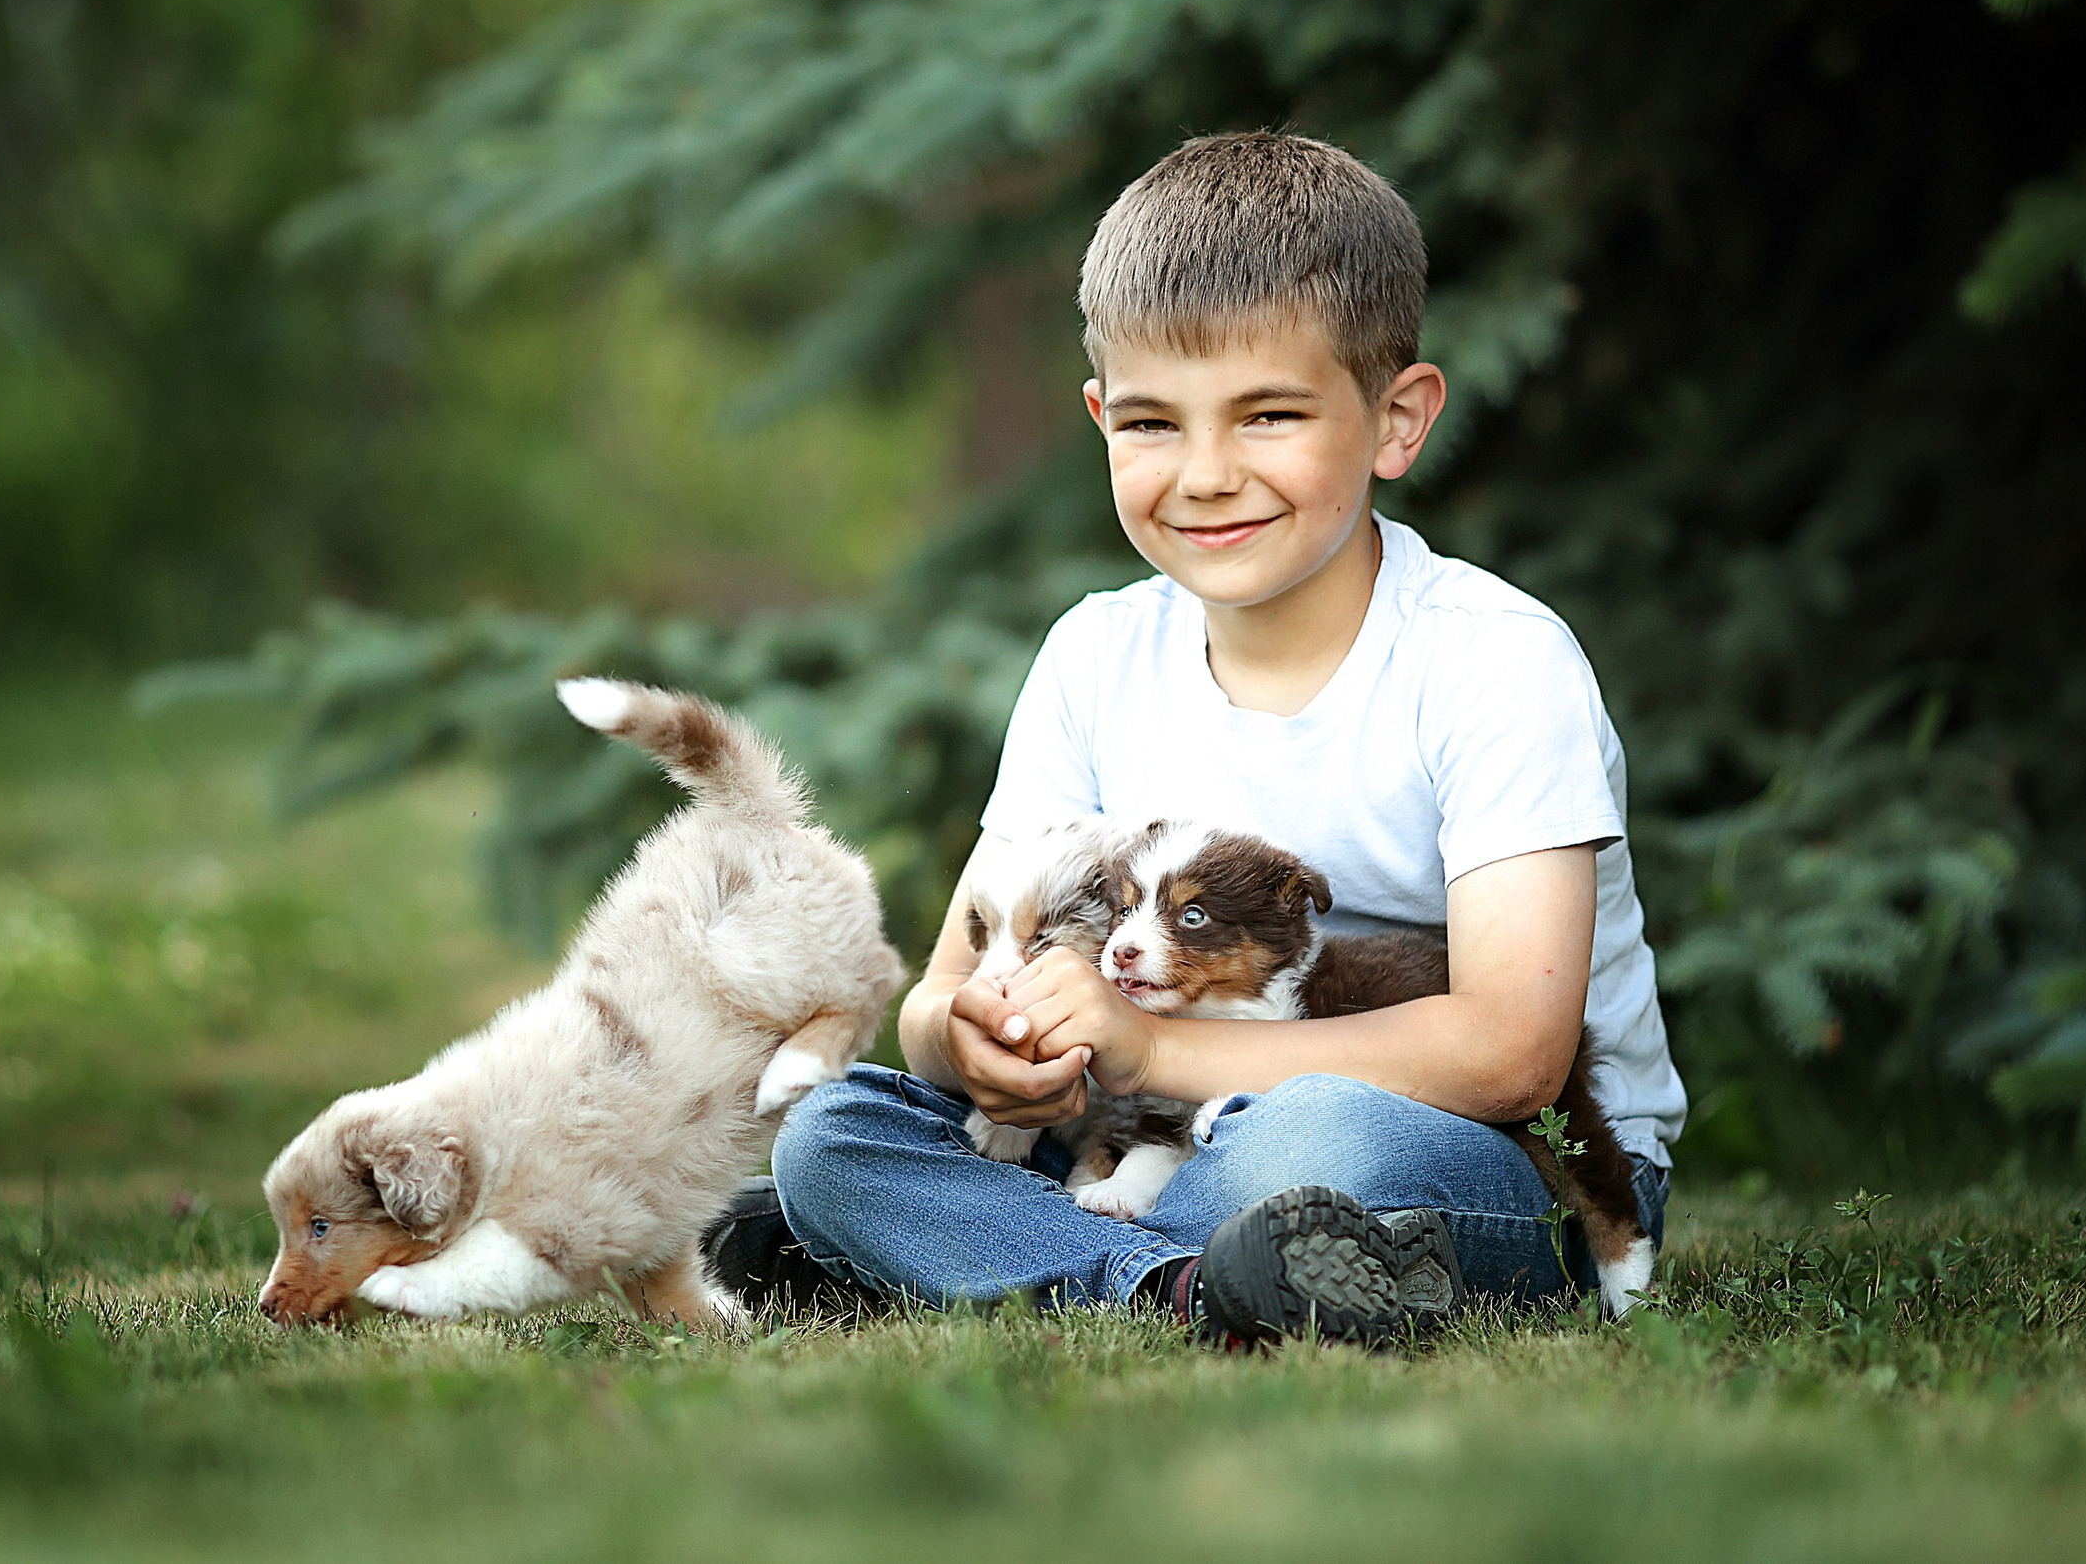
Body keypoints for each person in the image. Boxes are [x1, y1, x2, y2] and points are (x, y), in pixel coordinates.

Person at [707, 132, 1685, 1345]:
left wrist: (1146, 1046)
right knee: (835, 1132)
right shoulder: (1096, 655)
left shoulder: (1492, 659)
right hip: (1143, 1131)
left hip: (1488, 1154)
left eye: (1268, 414)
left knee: (1313, 1144)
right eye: (1152, 424)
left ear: (1396, 420)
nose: (1207, 474)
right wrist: (972, 1047)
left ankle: (976, 1251)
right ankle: (1177, 1282)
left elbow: (1511, 1058)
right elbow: (945, 991)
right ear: (1099, 421)